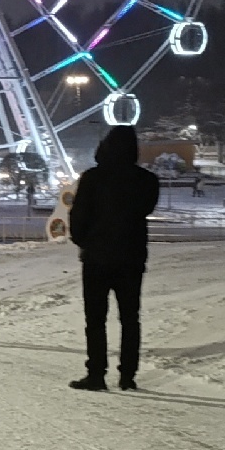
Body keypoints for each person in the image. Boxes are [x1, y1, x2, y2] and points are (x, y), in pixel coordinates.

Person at [67, 123, 160, 390]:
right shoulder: (146, 180)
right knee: (130, 318)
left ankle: (96, 372)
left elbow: (78, 217)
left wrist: (85, 241)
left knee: (95, 319)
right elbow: (146, 209)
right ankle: (128, 375)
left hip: (97, 257)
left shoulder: (93, 178)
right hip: (132, 257)